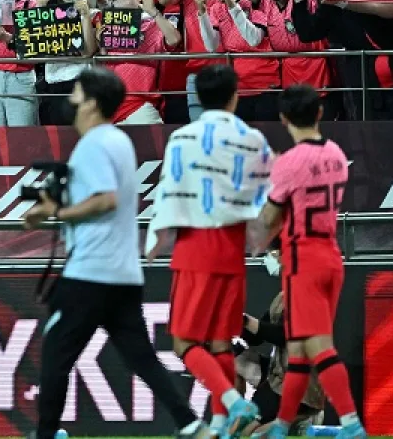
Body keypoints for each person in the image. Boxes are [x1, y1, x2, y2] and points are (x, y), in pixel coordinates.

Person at [22, 67, 205, 439]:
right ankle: (191, 425)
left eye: (75, 92)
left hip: (91, 273)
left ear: (90, 102)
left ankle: (45, 435)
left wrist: (57, 213)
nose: (69, 99)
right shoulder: (118, 140)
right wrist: (54, 207)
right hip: (122, 273)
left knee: (56, 357)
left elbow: (105, 200)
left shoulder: (93, 144)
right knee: (143, 358)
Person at [147, 65, 271, 436]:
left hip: (196, 249)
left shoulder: (184, 139)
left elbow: (170, 192)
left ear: (197, 98)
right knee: (219, 341)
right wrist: (259, 239)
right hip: (232, 251)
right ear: (235, 95)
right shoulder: (252, 139)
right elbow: (264, 198)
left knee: (184, 342)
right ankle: (220, 422)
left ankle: (234, 402)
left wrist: (157, 236)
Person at [253, 84, 362, 439]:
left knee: (318, 347)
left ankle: (351, 424)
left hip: (303, 261)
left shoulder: (289, 163)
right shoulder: (335, 154)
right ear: (319, 113)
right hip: (330, 256)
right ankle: (283, 426)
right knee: (298, 350)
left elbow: (270, 218)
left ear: (283, 118)